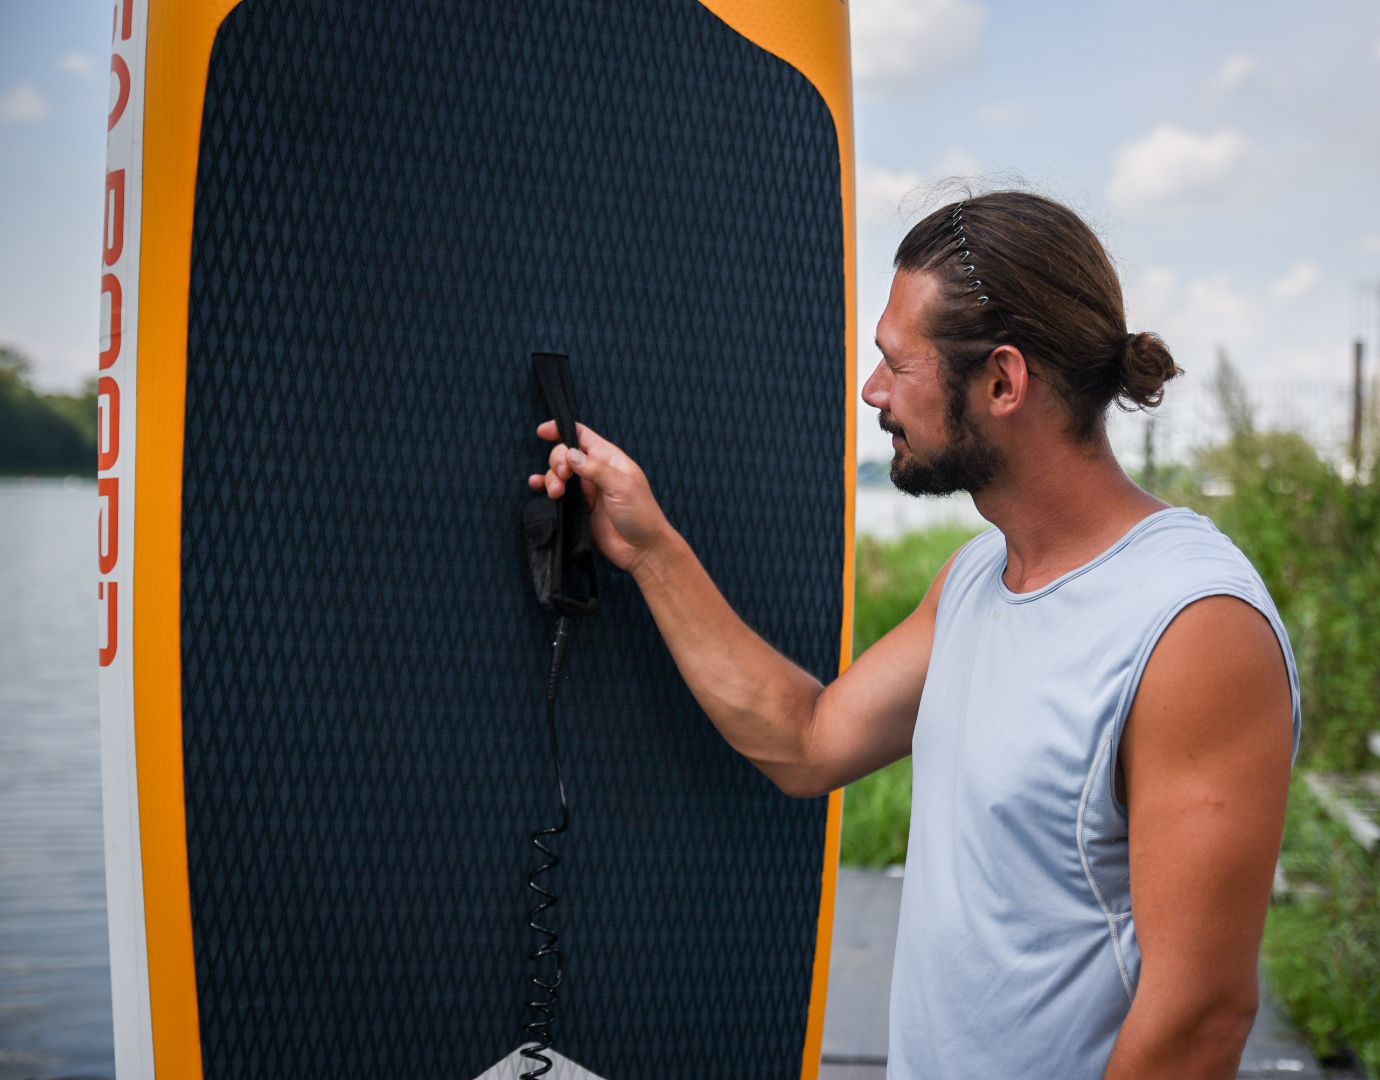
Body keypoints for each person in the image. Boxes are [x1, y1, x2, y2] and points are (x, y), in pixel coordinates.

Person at [527, 191, 1300, 1079]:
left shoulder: (1193, 626)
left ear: (1004, 383)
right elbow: (805, 741)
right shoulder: (978, 578)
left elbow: (1199, 1020)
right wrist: (652, 548)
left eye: (898, 364)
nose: (872, 391)